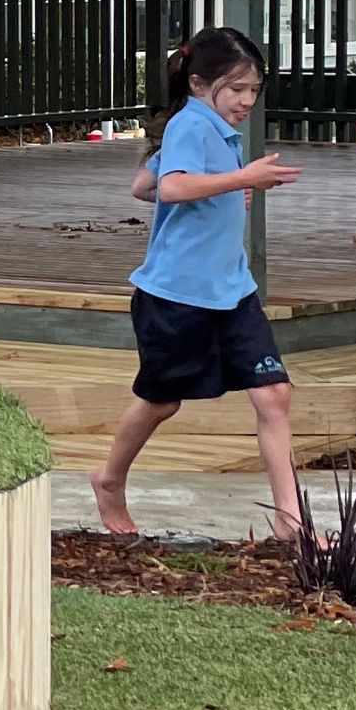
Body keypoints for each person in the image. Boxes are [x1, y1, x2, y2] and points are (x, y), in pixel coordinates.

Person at [92, 26, 310, 539]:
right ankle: (108, 479)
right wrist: (240, 182)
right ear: (197, 84)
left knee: (274, 394)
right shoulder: (191, 125)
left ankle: (290, 520)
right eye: (235, 89)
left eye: (254, 89)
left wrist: (224, 196)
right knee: (161, 400)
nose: (246, 100)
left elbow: (143, 186)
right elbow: (170, 186)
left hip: (232, 290)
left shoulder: (208, 128)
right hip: (175, 296)